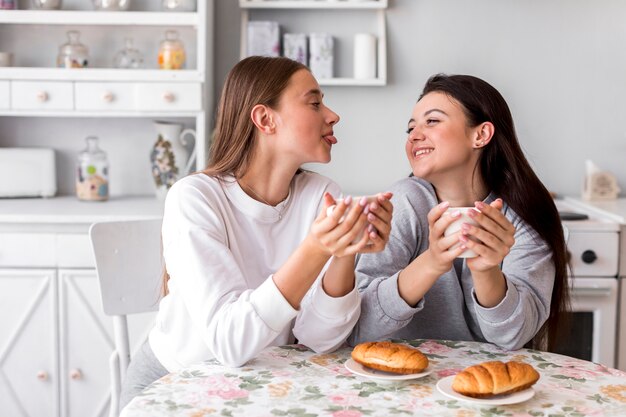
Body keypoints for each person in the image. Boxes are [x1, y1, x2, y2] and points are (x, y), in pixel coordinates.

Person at [119, 56, 393, 409]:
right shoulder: (195, 197)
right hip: (175, 386)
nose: (332, 115)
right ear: (265, 119)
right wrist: (316, 247)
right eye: (314, 102)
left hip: (263, 387)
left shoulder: (321, 195)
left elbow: (319, 340)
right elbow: (229, 342)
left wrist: (344, 252)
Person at [349, 74, 568, 352]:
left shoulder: (522, 215)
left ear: (481, 134)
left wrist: (486, 270)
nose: (415, 135)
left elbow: (514, 337)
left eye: (432, 121)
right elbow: (359, 327)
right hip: (406, 377)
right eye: (410, 128)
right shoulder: (405, 202)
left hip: (490, 384)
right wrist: (431, 262)